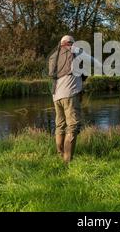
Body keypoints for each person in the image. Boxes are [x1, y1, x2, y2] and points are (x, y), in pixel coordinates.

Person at [49, 35, 83, 163]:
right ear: (71, 43)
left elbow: (52, 74)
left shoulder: (53, 55)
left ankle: (60, 155)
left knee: (60, 125)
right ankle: (67, 161)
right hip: (70, 93)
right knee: (73, 126)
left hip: (56, 95)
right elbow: (84, 72)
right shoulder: (75, 51)